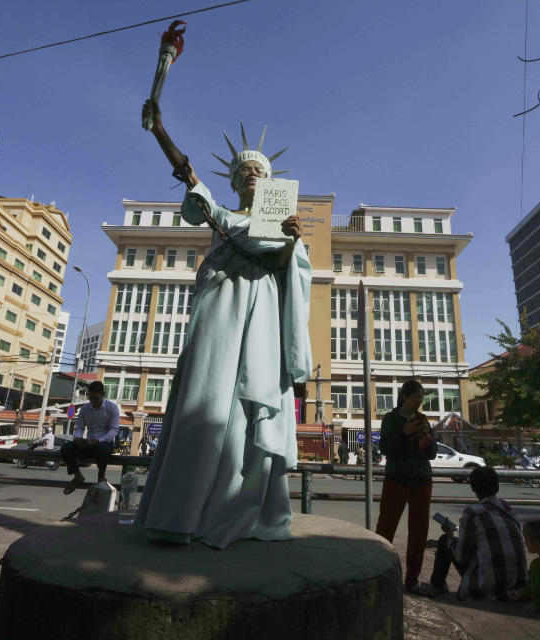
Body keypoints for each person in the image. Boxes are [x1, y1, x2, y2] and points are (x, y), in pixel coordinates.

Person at [134, 98, 312, 549]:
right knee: (207, 402)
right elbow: (187, 172)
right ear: (233, 181)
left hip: (262, 317)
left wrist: (293, 242)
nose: (251, 174)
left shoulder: (278, 226)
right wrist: (159, 128)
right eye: (244, 171)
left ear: (271, 185)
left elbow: (286, 269)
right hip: (220, 311)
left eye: (259, 171)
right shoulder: (220, 215)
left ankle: (245, 510)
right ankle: (184, 514)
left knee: (250, 410)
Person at [375, 380, 438, 595]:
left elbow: (431, 454)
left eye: (422, 397)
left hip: (422, 480)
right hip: (397, 480)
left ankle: (412, 579)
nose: (419, 401)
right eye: (416, 397)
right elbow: (385, 449)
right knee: (386, 528)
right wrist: (404, 433)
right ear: (404, 396)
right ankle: (378, 574)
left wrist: (427, 435)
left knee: (419, 532)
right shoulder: (391, 419)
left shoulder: (423, 419)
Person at [434, 466, 528, 599]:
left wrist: (450, 534)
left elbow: (461, 556)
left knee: (445, 540)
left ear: (473, 488)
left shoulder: (472, 512)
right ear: (497, 486)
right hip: (517, 583)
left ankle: (437, 585)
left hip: (485, 586)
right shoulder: (507, 507)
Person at [61, 381, 121, 494]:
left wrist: (99, 440)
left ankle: (101, 477)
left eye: (96, 398)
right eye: (91, 398)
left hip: (105, 443)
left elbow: (114, 429)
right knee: (65, 448)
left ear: (103, 394)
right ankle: (77, 476)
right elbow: (79, 427)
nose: (93, 402)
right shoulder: (85, 409)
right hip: (88, 442)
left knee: (101, 449)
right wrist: (78, 439)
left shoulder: (112, 408)